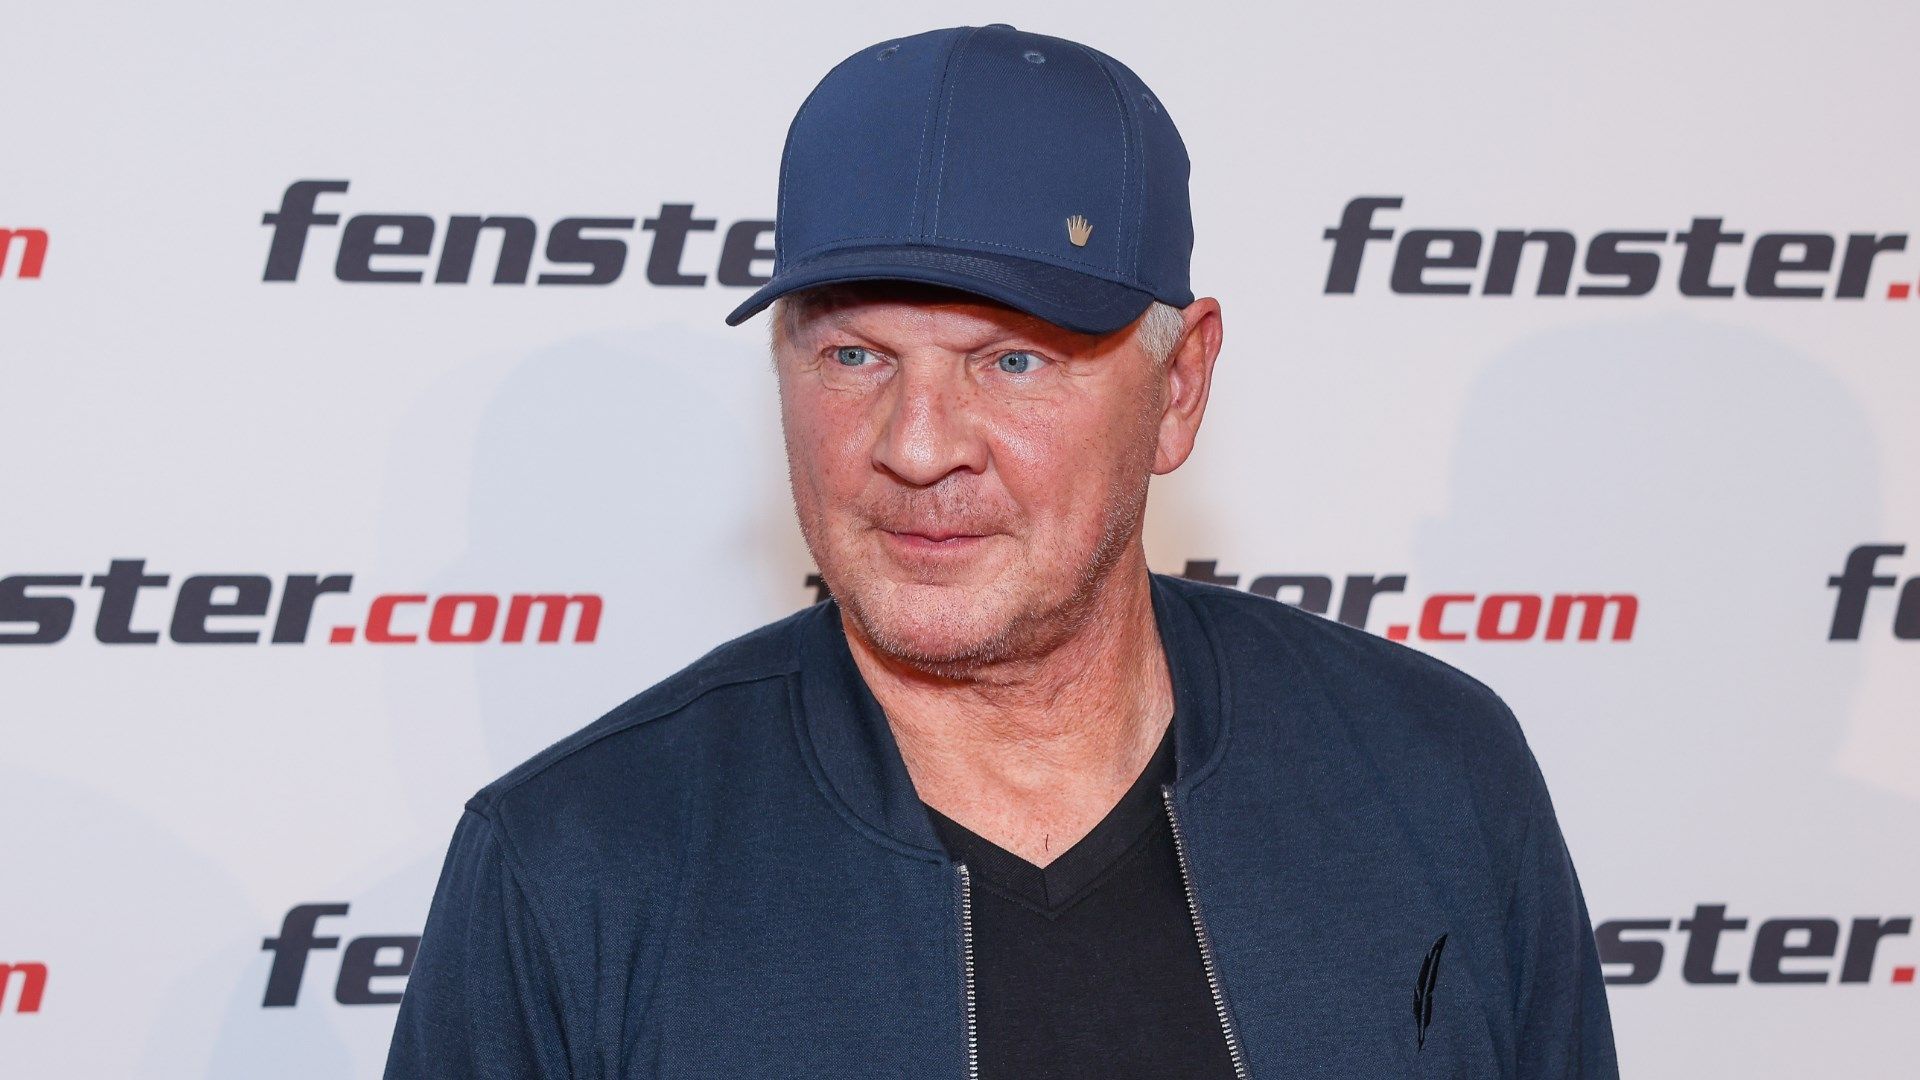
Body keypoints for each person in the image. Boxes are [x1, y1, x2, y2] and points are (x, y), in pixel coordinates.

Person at [384, 23, 1618, 1079]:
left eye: (1013, 361)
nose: (918, 448)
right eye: (854, 355)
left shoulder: (1431, 774)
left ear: (1179, 387)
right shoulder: (573, 866)